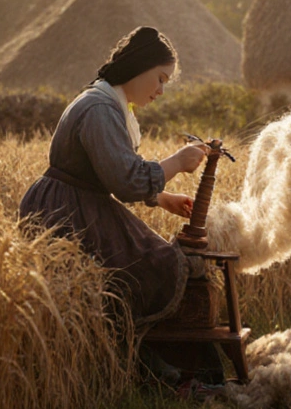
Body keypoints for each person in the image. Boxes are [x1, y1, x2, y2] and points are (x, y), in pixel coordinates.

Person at [19, 26, 209, 329]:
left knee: (146, 263)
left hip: (77, 203)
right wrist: (176, 162)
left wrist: (162, 199)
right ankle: (140, 350)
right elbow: (126, 181)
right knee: (151, 264)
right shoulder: (100, 108)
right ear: (140, 66)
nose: (161, 91)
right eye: (160, 78)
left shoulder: (109, 104)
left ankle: (134, 348)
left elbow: (110, 172)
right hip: (66, 212)